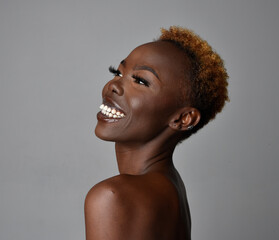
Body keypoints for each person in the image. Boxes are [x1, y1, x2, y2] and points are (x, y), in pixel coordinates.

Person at [85, 26, 229, 240]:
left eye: (141, 80)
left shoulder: (113, 197)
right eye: (118, 72)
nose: (114, 85)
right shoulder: (171, 187)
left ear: (182, 118)